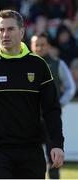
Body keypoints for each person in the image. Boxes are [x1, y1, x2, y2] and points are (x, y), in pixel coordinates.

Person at [0, 9, 64, 179]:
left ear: (22, 32)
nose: (5, 34)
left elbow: (51, 109)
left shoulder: (39, 66)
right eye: (0, 30)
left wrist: (57, 144)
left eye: (10, 29)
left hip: (31, 150)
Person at [30, 32, 76, 179]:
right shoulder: (23, 65)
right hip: (29, 118)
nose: (39, 47)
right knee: (30, 157)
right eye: (36, 45)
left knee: (54, 156)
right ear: (31, 46)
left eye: (42, 44)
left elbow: (70, 87)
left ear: (48, 46)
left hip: (51, 118)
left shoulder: (58, 64)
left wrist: (60, 104)